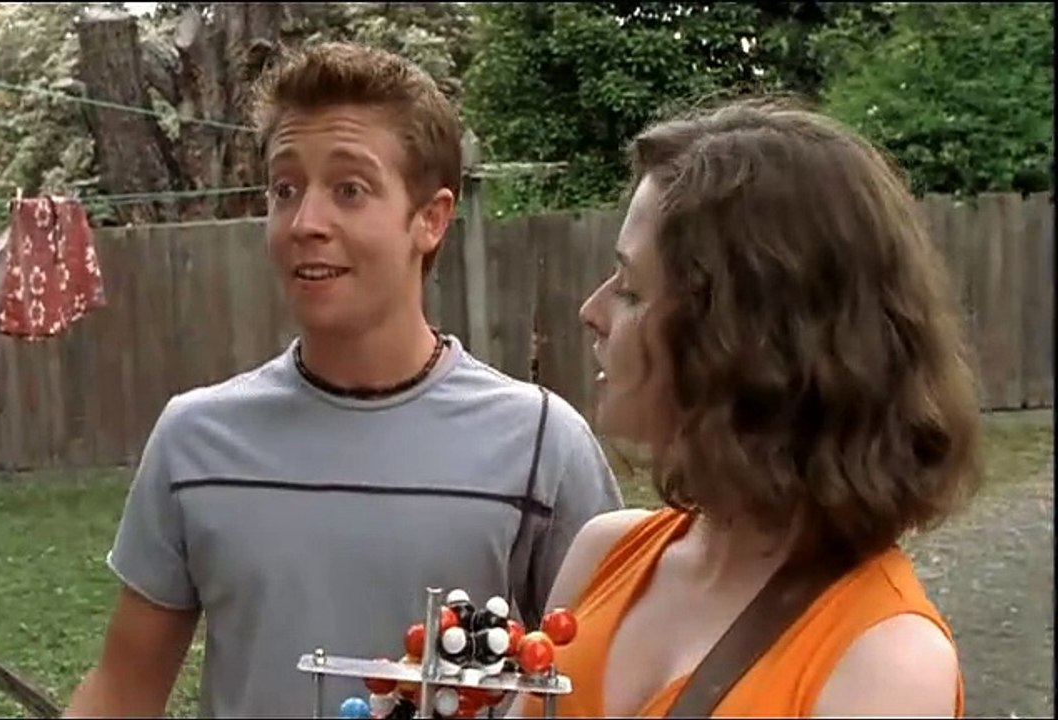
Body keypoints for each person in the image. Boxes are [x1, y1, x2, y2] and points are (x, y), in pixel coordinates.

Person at [63, 42, 622, 718]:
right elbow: (122, 690)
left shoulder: (542, 445)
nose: (306, 223)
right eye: (285, 189)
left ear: (431, 219)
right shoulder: (194, 441)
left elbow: (608, 688)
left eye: (349, 190)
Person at [515, 99, 982, 718]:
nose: (591, 312)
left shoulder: (885, 661)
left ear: (742, 340)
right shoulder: (604, 554)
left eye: (629, 290)